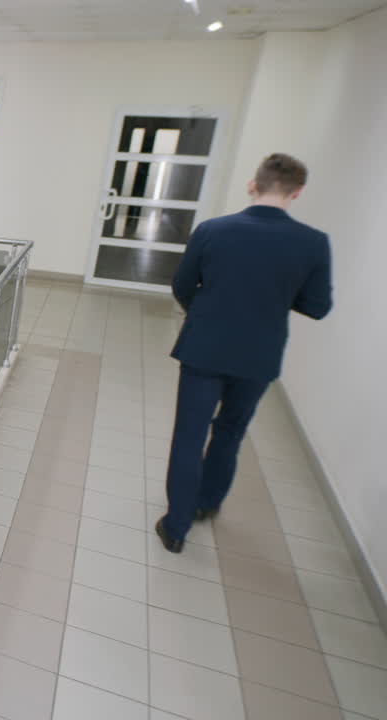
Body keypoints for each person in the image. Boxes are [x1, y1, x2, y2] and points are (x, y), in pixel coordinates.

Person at [155, 154, 333, 554]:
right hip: (259, 356)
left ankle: (176, 527)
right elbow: (318, 306)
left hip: (203, 349)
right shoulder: (313, 242)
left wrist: (205, 313)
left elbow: (183, 285)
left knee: (189, 436)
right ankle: (207, 504)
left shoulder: (213, 230)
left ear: (253, 184)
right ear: (297, 192)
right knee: (230, 432)